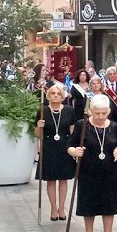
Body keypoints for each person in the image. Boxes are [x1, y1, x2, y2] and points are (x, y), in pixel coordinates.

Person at [68, 95, 117, 232]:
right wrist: (75, 151)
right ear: (90, 111)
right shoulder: (82, 125)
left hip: (109, 172)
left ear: (109, 111)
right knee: (89, 206)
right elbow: (70, 145)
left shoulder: (113, 126)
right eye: (97, 113)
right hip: (88, 171)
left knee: (109, 206)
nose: (100, 117)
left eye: (104, 113)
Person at [36, 84, 78, 221]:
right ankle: (53, 208)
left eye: (58, 93)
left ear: (62, 96)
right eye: (53, 93)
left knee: (63, 178)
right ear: (48, 96)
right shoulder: (43, 111)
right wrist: (39, 127)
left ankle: (61, 207)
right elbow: (37, 135)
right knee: (51, 179)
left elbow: (73, 131)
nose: (55, 95)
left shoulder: (69, 111)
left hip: (65, 146)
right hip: (49, 147)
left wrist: (75, 147)